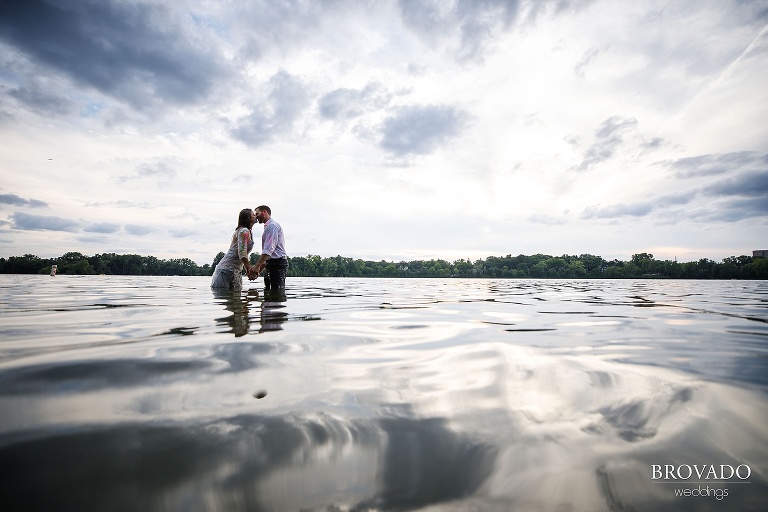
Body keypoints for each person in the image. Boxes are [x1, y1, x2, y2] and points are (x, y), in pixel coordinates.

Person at [210, 208, 258, 290]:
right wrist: (249, 270)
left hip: (235, 270)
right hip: (227, 270)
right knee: (227, 297)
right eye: (253, 215)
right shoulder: (244, 231)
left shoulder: (248, 231)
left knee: (235, 299)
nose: (255, 216)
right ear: (248, 218)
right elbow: (242, 253)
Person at [253, 205, 288, 289]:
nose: (256, 217)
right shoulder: (269, 227)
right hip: (271, 263)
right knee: (269, 291)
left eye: (257, 213)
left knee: (276, 291)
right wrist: (258, 271)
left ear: (264, 212)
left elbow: (268, 250)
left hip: (277, 263)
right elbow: (268, 255)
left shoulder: (272, 226)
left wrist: (256, 267)